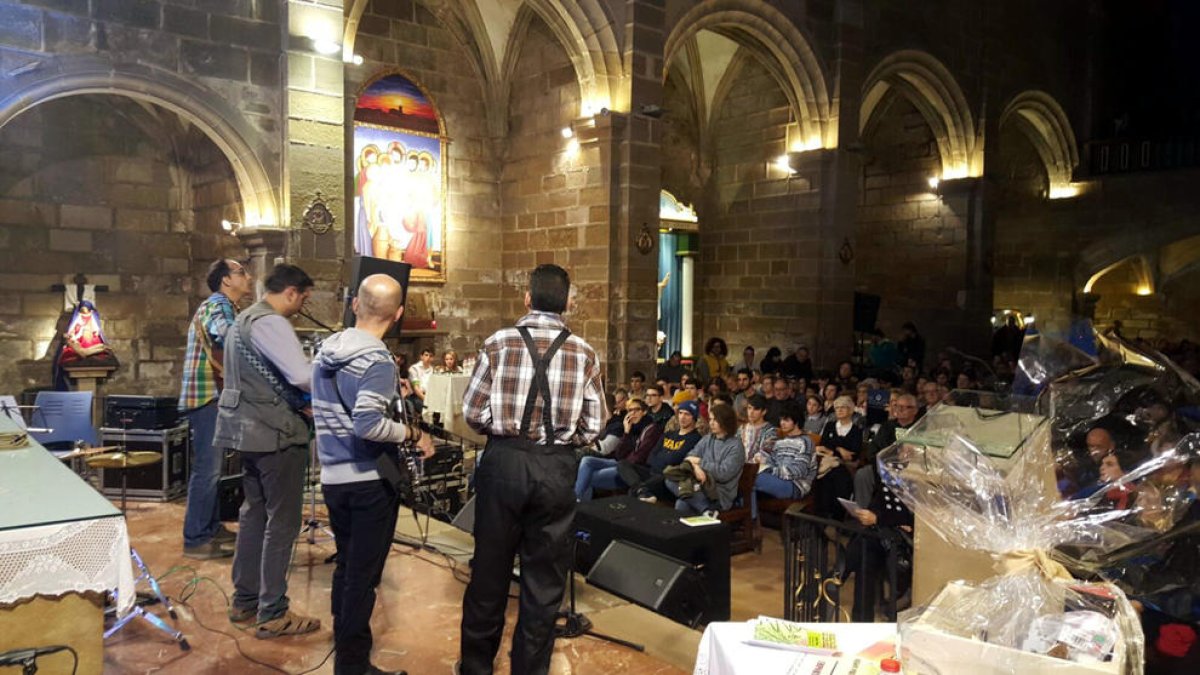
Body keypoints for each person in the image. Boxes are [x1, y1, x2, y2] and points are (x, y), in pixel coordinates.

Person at [459, 264, 605, 675]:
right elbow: (595, 425)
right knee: (543, 586)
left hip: (504, 461)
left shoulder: (498, 342)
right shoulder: (584, 351)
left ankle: (475, 669)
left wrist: (503, 430)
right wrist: (560, 442)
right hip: (555, 468)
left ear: (528, 298)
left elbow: (472, 411)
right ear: (567, 303)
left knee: (488, 574)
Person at [313, 275, 436, 675]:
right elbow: (367, 424)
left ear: (354, 304)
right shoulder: (378, 359)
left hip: (332, 474)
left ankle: (344, 646)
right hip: (366, 479)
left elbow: (341, 406)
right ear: (398, 314)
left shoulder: (326, 349)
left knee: (348, 568)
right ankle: (352, 666)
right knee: (362, 578)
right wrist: (414, 434)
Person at [213, 264, 321, 637]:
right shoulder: (272, 323)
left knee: (254, 514)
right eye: (303, 298)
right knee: (284, 522)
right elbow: (301, 376)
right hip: (275, 434)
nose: (301, 306)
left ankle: (245, 601)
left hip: (247, 432)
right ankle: (273, 611)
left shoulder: (242, 320)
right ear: (291, 292)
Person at [179, 258, 252, 559]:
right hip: (208, 396)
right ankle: (196, 538)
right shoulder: (217, 305)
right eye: (241, 273)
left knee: (213, 469)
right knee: (207, 470)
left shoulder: (226, 306)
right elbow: (229, 336)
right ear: (226, 280)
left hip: (212, 396)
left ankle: (209, 527)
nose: (248, 277)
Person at [666, 402, 745, 515]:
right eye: (710, 419)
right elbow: (688, 457)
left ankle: (706, 512)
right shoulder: (707, 439)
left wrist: (700, 463)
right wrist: (696, 469)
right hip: (698, 486)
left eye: (715, 420)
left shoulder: (735, 446)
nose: (711, 423)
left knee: (682, 503)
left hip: (718, 493)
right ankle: (706, 510)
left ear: (726, 421)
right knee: (670, 479)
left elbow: (723, 474)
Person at [574, 397, 659, 501]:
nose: (632, 413)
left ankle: (579, 504)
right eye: (630, 410)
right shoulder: (631, 428)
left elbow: (640, 456)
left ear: (644, 412)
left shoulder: (651, 429)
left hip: (633, 469)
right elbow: (619, 454)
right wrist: (627, 433)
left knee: (587, 476)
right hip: (620, 462)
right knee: (586, 460)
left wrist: (623, 463)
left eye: (636, 410)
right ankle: (578, 501)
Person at [622, 400, 703, 503]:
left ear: (694, 417)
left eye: (687, 414)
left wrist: (662, 460)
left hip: (667, 478)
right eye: (680, 413)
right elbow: (651, 457)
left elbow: (676, 460)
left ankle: (640, 490)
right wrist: (663, 460)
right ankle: (641, 489)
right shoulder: (669, 434)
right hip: (652, 472)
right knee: (623, 464)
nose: (682, 417)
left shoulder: (695, 438)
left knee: (632, 491)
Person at [754, 400, 818, 517]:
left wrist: (769, 469)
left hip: (795, 485)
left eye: (786, 420)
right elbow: (770, 461)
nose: (782, 423)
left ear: (796, 421)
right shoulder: (780, 442)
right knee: (745, 477)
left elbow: (798, 471)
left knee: (752, 478)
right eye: (781, 419)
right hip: (777, 479)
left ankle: (750, 520)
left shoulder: (806, 442)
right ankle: (750, 519)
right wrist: (763, 457)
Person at [813, 395, 863, 518]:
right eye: (837, 408)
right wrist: (840, 449)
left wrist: (832, 449)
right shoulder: (830, 426)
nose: (839, 410)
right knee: (823, 478)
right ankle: (822, 516)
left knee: (840, 478)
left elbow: (852, 455)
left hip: (846, 466)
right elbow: (823, 446)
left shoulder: (856, 430)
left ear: (851, 410)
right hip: (827, 463)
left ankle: (837, 517)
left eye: (843, 408)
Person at [740, 394, 777, 463]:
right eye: (749, 408)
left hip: (758, 469)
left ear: (764, 412)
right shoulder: (742, 428)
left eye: (756, 409)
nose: (751, 412)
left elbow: (766, 453)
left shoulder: (770, 431)